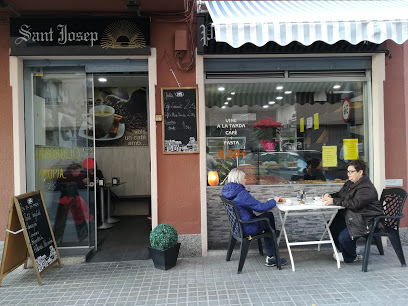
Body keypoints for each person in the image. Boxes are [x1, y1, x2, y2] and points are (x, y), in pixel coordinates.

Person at [221, 168, 287, 267]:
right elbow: (261, 208)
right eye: (244, 178)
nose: (245, 180)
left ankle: (273, 233)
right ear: (238, 179)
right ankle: (271, 256)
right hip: (247, 228)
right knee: (268, 217)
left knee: (268, 221)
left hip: (236, 227)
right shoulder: (241, 194)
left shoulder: (227, 191)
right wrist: (274, 200)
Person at [322, 159, 383, 263]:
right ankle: (348, 252)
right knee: (331, 226)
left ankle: (350, 257)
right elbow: (341, 194)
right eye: (348, 171)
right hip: (353, 216)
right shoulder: (351, 183)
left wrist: (334, 200)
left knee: (344, 237)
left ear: (360, 172)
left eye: (351, 171)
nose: (348, 174)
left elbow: (355, 204)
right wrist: (331, 195)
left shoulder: (366, 187)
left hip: (366, 220)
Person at [54, 162, 93, 243]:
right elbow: (58, 186)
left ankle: (83, 235)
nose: (79, 173)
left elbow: (82, 186)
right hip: (65, 199)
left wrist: (87, 181)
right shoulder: (65, 175)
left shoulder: (81, 175)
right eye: (77, 171)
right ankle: (57, 237)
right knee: (61, 218)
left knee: (79, 217)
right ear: (72, 171)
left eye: (79, 171)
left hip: (75, 198)